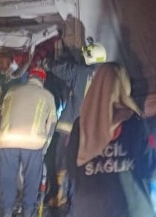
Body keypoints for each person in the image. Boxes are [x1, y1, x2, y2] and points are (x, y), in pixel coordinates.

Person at [65, 62, 154, 217]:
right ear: (124, 86)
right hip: (130, 209)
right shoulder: (135, 123)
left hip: (90, 209)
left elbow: (71, 168)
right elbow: (148, 167)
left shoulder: (81, 126)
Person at [46, 40, 107, 211]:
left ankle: (60, 195)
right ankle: (75, 199)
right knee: (81, 165)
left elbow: (61, 70)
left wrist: (47, 63)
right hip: (91, 130)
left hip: (69, 126)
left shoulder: (80, 71)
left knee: (61, 161)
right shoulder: (106, 79)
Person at [0, 67, 57, 217]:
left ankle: (6, 212)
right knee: (31, 179)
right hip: (33, 142)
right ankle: (28, 212)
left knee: (7, 179)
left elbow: (3, 114)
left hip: (7, 139)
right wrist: (45, 146)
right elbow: (51, 124)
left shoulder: (12, 91)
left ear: (29, 77)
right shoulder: (47, 95)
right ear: (42, 80)